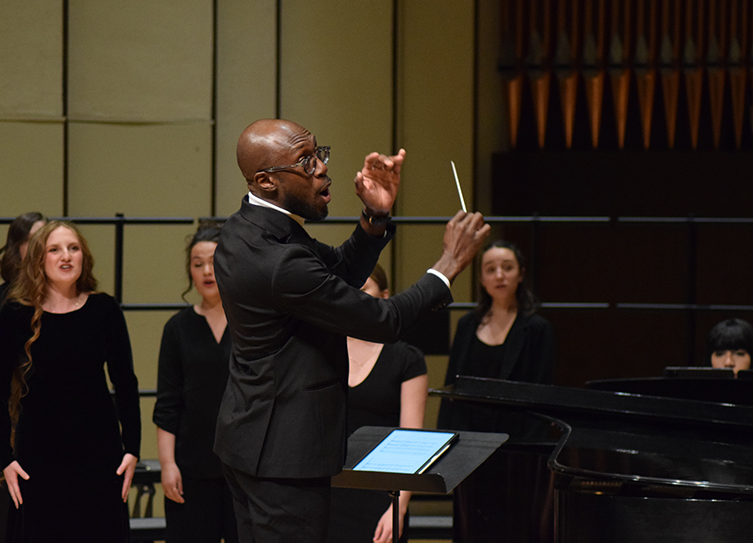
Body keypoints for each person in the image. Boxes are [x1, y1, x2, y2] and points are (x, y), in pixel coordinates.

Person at [213, 118, 490, 543]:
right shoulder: (279, 261)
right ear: (266, 180)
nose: (322, 168)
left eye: (318, 153)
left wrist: (374, 217)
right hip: (283, 455)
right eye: (306, 161)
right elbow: (383, 320)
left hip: (250, 439)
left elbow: (336, 273)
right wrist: (449, 264)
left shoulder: (245, 228)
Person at [0, 221, 141, 542]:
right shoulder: (15, 312)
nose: (66, 256)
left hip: (99, 454)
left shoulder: (105, 309)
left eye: (73, 248)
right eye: (54, 249)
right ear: (39, 259)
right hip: (38, 455)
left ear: (84, 256)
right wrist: (5, 459)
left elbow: (126, 383)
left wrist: (133, 448)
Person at [437, 240, 556, 543]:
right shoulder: (467, 325)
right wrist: (444, 445)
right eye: (490, 269)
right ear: (481, 278)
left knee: (517, 529)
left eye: (507, 267)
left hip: (518, 451)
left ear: (521, 274)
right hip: (471, 448)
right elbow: (452, 388)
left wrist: (531, 451)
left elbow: (543, 394)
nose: (499, 275)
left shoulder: (538, 328)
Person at [327, 264, 427, 543]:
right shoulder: (323, 350)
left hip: (382, 497)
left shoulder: (407, 359)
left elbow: (412, 442)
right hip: (327, 494)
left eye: (362, 288)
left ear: (384, 296)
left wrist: (399, 507)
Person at [153, 222, 238, 543]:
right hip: (191, 467)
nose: (206, 271)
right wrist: (167, 464)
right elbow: (167, 404)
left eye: (214, 262)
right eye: (197, 264)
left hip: (243, 466)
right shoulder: (177, 328)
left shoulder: (251, 323)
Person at [0, 212, 46, 543]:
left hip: (52, 429)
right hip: (6, 428)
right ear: (17, 248)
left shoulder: (61, 302)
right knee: (10, 522)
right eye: (34, 241)